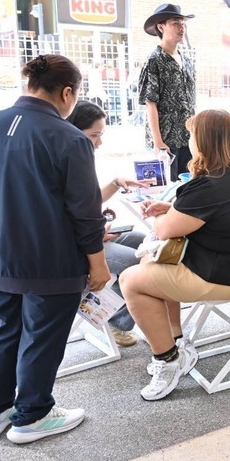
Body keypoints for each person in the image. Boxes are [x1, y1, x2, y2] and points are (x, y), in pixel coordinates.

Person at [0, 55, 110, 444]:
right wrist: (98, 265)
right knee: (42, 335)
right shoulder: (70, 139)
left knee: (6, 328)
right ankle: (33, 415)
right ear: (68, 93)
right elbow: (86, 212)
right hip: (48, 258)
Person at [119, 110, 230, 401]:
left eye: (192, 135)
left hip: (223, 277)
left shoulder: (208, 184)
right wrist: (173, 210)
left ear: (202, 141)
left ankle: (168, 359)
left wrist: (161, 214)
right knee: (151, 263)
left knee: (131, 280)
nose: (189, 140)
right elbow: (224, 213)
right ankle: (176, 341)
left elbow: (164, 231)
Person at [66, 101, 153, 347]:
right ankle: (119, 321)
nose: (100, 142)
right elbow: (74, 215)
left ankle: (133, 314)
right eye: (95, 135)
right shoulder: (68, 161)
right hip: (79, 242)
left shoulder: (79, 158)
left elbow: (88, 203)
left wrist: (115, 183)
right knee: (141, 264)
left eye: (101, 134)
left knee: (143, 241)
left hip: (92, 234)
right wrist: (97, 234)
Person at [138, 3, 196, 182]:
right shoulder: (154, 60)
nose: (181, 28)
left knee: (188, 184)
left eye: (183, 24)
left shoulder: (186, 60)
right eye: (175, 23)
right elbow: (150, 104)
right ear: (161, 27)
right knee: (165, 187)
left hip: (188, 137)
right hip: (166, 140)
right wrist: (158, 142)